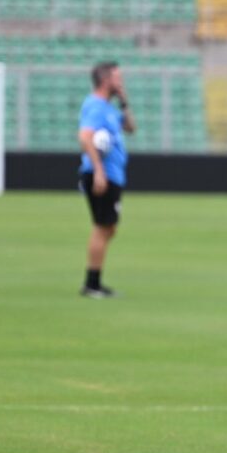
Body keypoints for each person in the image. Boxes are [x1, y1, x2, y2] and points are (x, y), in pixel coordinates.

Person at [77, 60, 134, 298]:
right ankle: (92, 284)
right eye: (117, 77)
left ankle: (94, 281)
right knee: (103, 228)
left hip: (113, 175)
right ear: (105, 80)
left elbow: (131, 128)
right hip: (102, 175)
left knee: (108, 228)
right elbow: (84, 137)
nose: (121, 81)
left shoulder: (110, 109)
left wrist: (124, 102)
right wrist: (99, 170)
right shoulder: (96, 106)